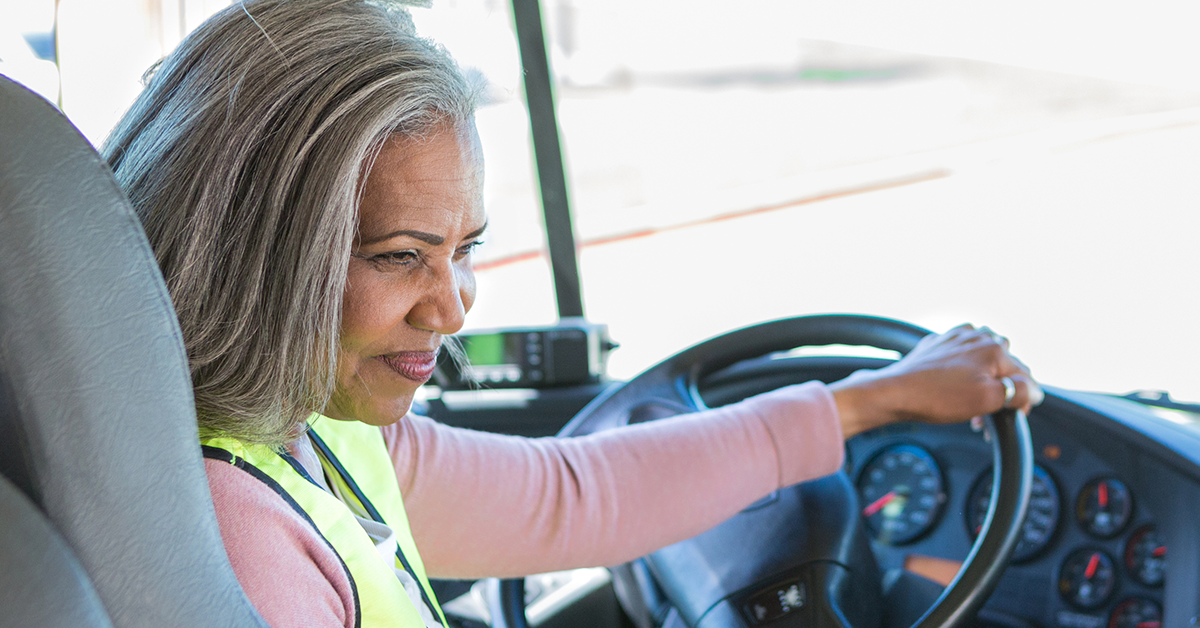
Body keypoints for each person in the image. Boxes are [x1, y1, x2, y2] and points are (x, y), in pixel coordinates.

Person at [101, 1, 1042, 627]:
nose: (453, 306)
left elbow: (570, 496)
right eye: (400, 258)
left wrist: (862, 404)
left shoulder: (306, 427)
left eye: (463, 250)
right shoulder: (240, 538)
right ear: (259, 259)